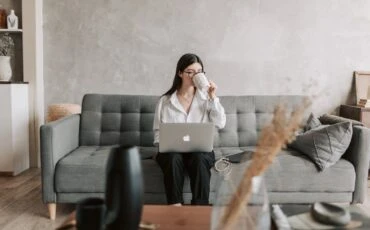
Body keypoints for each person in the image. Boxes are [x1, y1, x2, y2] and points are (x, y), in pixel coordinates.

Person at [153, 53, 226, 206]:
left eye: (199, 72)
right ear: (180, 73)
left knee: (199, 158)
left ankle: (200, 207)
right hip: (172, 152)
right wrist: (166, 144)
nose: (195, 76)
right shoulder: (165, 101)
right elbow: (158, 134)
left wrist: (213, 97)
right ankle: (175, 206)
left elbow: (220, 123)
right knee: (173, 158)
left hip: (199, 151)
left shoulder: (206, 99)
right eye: (190, 72)